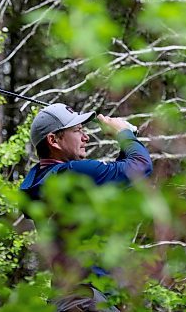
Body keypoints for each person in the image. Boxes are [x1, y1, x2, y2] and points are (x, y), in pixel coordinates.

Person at [19, 103, 153, 311]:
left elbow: (118, 181)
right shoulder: (74, 173)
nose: (86, 137)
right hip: (88, 300)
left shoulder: (44, 181)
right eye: (77, 131)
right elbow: (141, 166)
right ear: (53, 140)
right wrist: (124, 134)